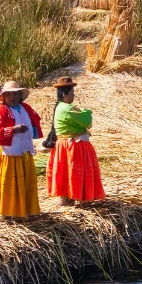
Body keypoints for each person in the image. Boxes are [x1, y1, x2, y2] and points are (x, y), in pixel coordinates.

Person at [0, 81, 43, 217]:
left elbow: (35, 123)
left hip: (23, 152)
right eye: (8, 94)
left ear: (20, 95)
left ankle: (23, 209)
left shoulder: (25, 108)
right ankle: (8, 212)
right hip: (7, 153)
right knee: (10, 184)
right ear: (3, 97)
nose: (12, 97)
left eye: (15, 94)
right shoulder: (1, 111)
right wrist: (13, 130)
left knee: (23, 183)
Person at [46, 76, 105, 206]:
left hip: (67, 145)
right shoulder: (67, 109)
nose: (74, 95)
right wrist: (87, 112)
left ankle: (69, 198)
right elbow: (87, 121)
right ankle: (75, 198)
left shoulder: (62, 107)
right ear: (65, 93)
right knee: (73, 172)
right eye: (72, 92)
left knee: (67, 172)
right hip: (72, 146)